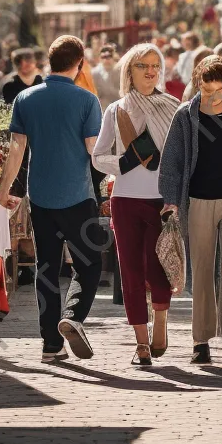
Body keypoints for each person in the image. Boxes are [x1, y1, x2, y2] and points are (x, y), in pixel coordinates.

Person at [0, 36, 103, 362]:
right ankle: (71, 317)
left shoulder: (26, 98)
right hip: (77, 197)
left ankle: (50, 346)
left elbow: (17, 148)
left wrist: (4, 189)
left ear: (49, 61)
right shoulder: (87, 101)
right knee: (89, 265)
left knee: (46, 269)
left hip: (40, 197)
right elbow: (93, 150)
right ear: (80, 63)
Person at [159, 55, 222, 370]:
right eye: (207, 92)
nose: (214, 98)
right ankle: (201, 342)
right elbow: (171, 163)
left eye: (219, 92)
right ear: (197, 84)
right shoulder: (185, 116)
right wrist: (171, 201)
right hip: (198, 203)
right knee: (202, 274)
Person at [91, 43, 179, 366]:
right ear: (130, 70)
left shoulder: (173, 107)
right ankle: (141, 342)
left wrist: (177, 198)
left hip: (161, 201)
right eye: (143, 65)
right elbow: (98, 157)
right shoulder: (116, 110)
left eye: (156, 65)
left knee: (159, 267)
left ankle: (161, 322)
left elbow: (180, 157)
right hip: (125, 201)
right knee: (129, 271)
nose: (151, 71)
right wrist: (123, 163)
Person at [92, 43, 121, 112]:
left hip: (118, 108)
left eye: (109, 56)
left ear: (113, 57)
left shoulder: (120, 70)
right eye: (103, 57)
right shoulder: (95, 72)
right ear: (100, 58)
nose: (106, 60)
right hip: (102, 109)